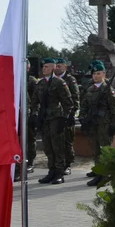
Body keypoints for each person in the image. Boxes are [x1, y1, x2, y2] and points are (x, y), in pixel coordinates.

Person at [33, 57, 73, 185]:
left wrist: (65, 119)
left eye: (47, 67)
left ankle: (59, 173)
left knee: (58, 146)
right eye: (43, 67)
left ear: (53, 68)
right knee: (48, 147)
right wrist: (34, 115)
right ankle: (51, 171)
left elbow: (68, 103)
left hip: (56, 118)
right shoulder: (40, 84)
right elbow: (34, 101)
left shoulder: (59, 82)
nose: (44, 69)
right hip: (44, 119)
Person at [78, 60, 115, 187]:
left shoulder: (108, 90)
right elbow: (84, 106)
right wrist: (82, 118)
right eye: (94, 74)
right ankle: (98, 173)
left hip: (104, 125)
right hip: (93, 124)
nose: (96, 76)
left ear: (104, 74)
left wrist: (113, 124)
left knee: (104, 150)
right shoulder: (90, 89)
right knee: (95, 150)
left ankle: (105, 175)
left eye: (98, 73)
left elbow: (114, 108)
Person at [53, 58, 79, 175]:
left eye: (59, 66)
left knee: (67, 141)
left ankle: (68, 164)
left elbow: (75, 98)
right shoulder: (52, 80)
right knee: (56, 142)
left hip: (67, 115)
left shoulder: (70, 80)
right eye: (56, 66)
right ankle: (57, 165)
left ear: (65, 67)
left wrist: (71, 114)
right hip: (55, 116)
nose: (57, 68)